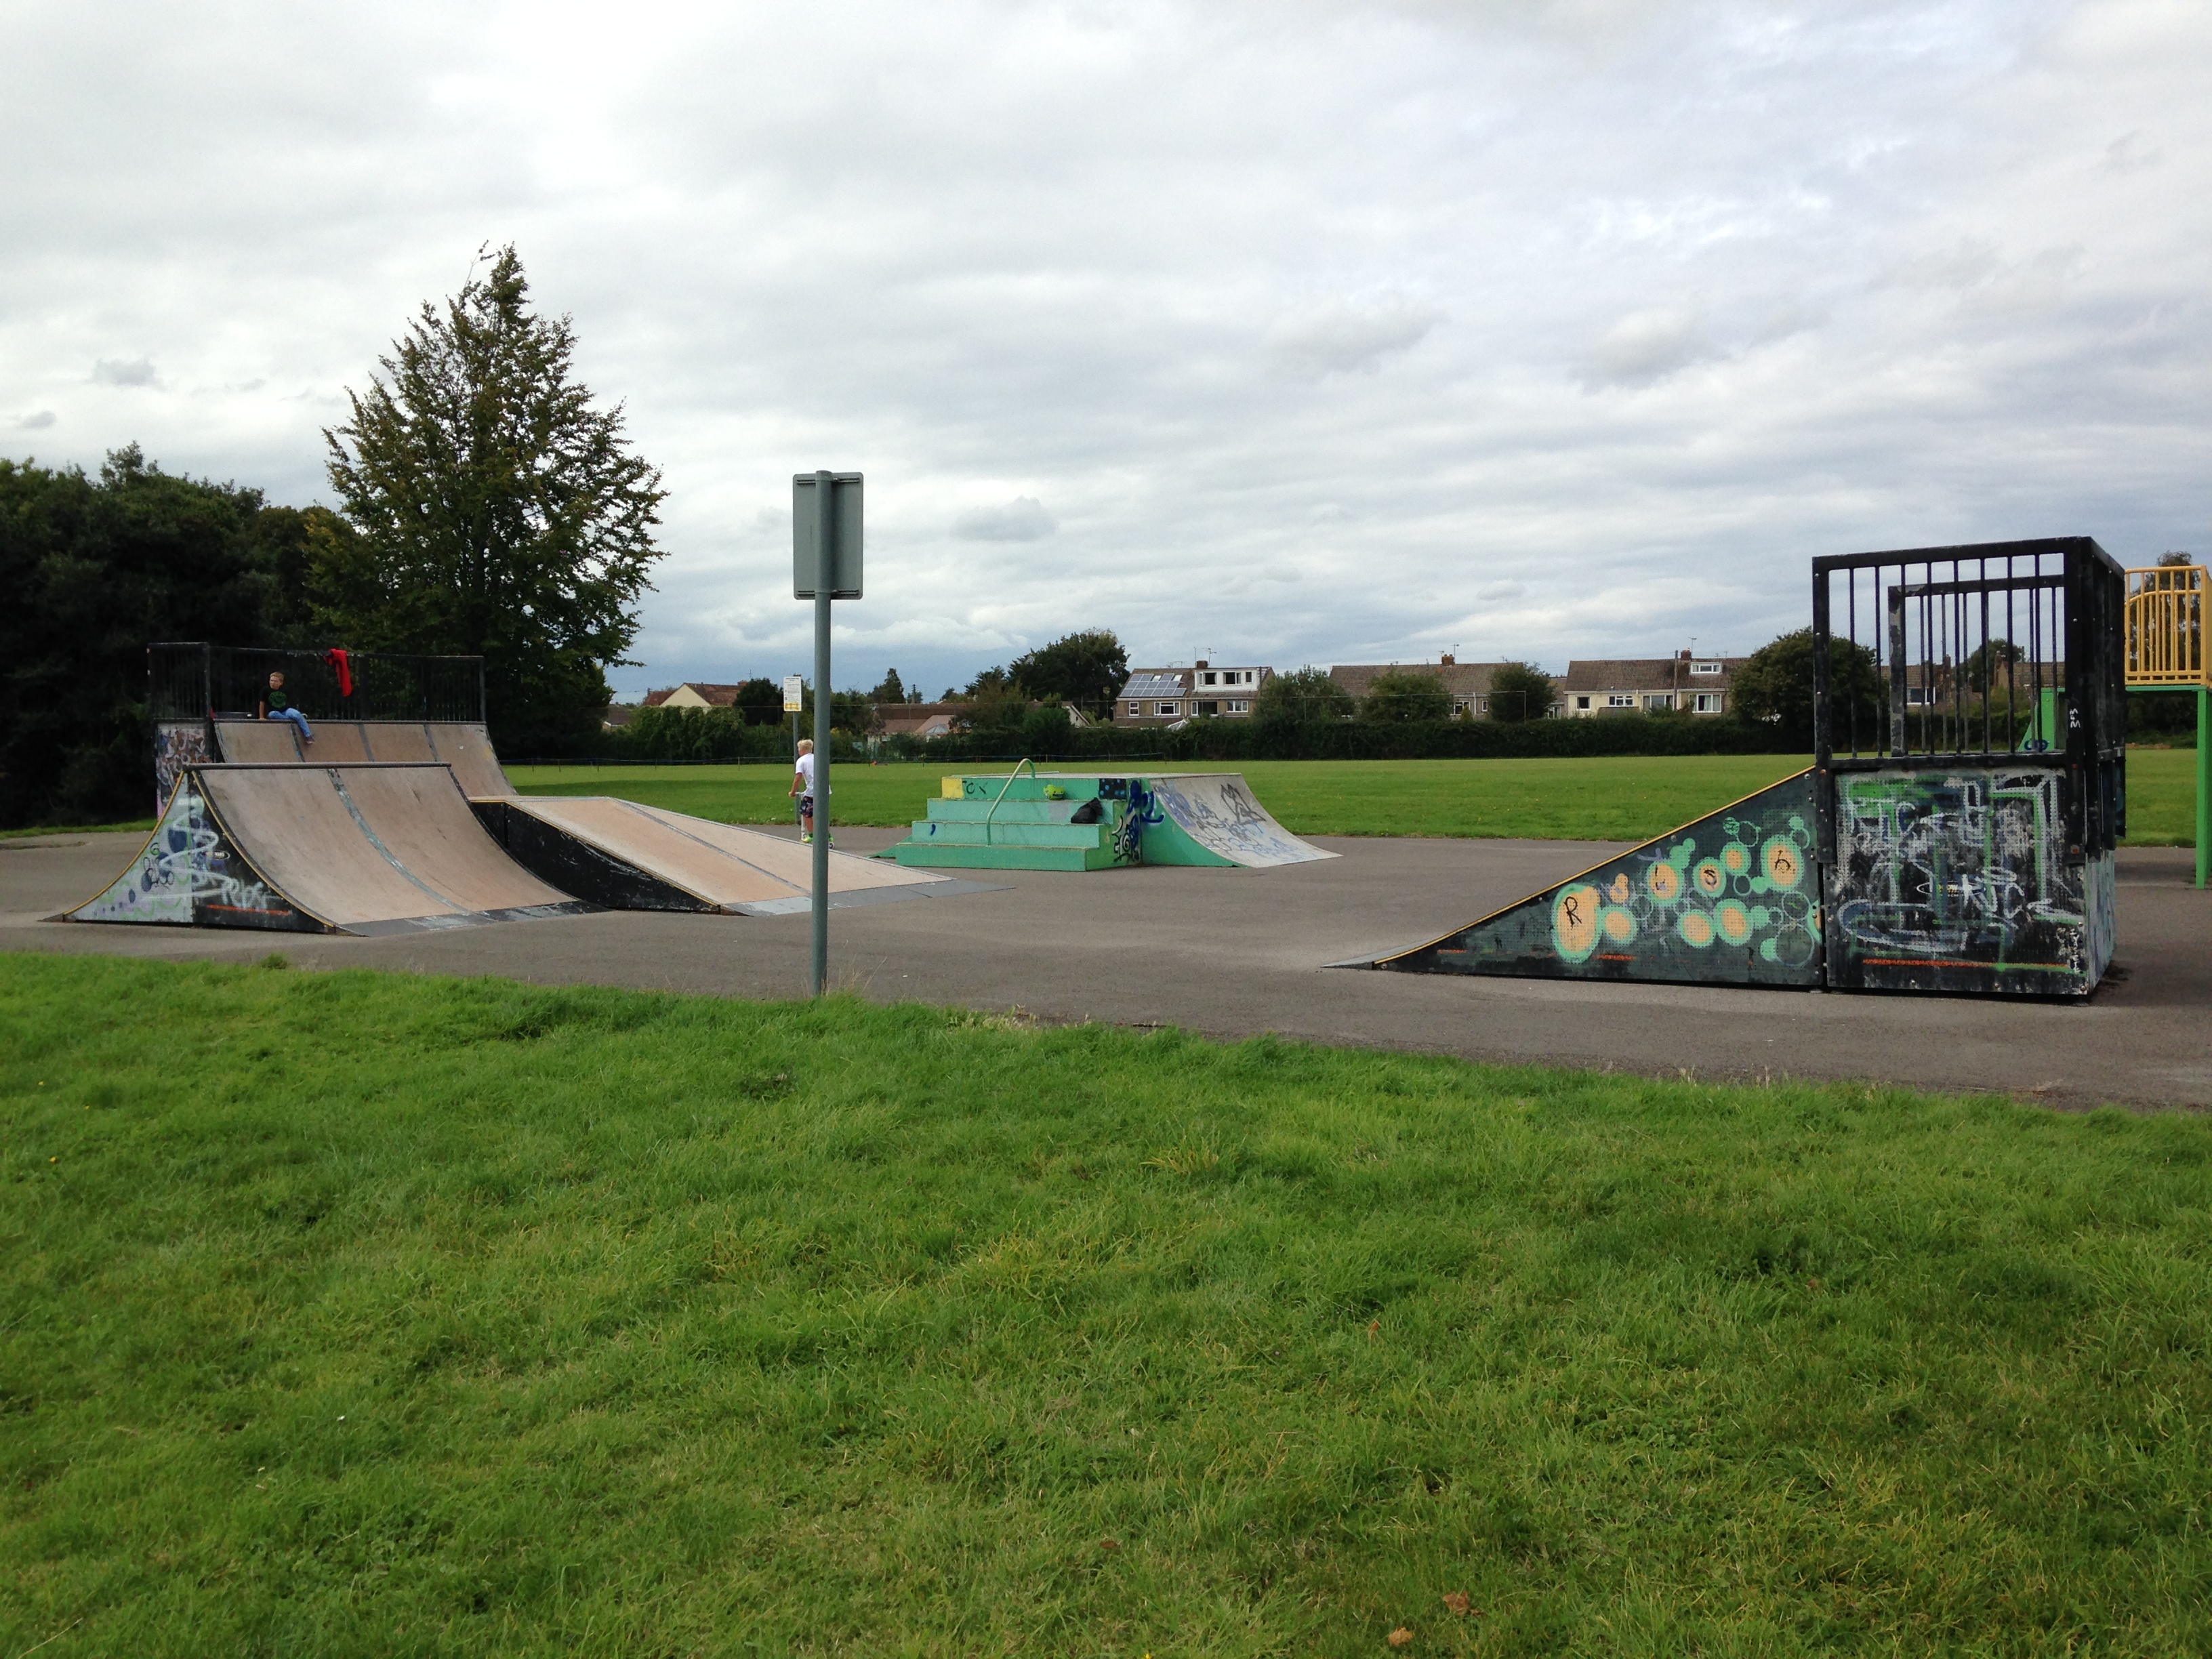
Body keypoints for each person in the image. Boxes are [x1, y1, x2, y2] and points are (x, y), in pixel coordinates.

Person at [789, 739, 828, 844]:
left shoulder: (801, 761)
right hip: (824, 789)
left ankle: (812, 835)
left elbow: (798, 777)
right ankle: (826, 836)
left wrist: (793, 792)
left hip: (812, 790)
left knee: (806, 812)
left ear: (802, 750)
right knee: (820, 813)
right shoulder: (818, 758)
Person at [259, 670, 313, 742]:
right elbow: (262, 704)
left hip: (286, 710)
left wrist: (294, 712)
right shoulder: (265, 690)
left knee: (297, 714)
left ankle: (308, 735)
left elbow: (292, 702)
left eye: (275, 681)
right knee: (273, 714)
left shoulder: (286, 689)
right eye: (271, 681)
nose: (272, 683)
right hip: (274, 712)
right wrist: (261, 717)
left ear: (281, 683)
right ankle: (298, 718)